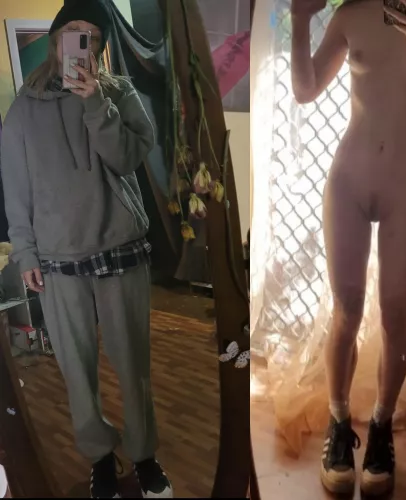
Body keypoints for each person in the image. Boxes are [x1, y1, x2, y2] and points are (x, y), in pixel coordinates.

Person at [290, 0, 406, 496]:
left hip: (405, 184)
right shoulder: (353, 13)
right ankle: (337, 425)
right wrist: (301, 21)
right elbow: (305, 90)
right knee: (346, 310)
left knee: (394, 314)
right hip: (349, 179)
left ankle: (380, 429)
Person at [1, 0, 173, 498]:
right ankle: (100, 458)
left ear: (99, 46)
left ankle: (144, 455)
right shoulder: (22, 111)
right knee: (76, 372)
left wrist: (96, 100)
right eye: (73, 31)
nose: (82, 42)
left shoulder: (120, 93)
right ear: (55, 39)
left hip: (121, 251)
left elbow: (127, 157)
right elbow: (16, 190)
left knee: (133, 368)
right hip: (58, 262)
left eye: (92, 36)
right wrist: (25, 253)